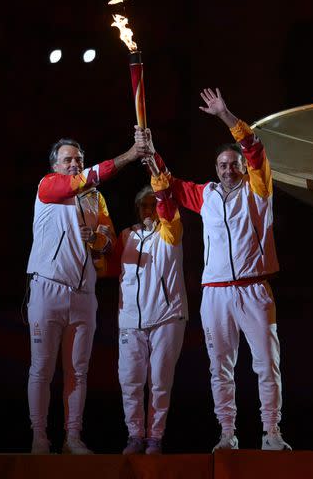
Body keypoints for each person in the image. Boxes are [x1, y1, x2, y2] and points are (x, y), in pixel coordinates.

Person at [136, 88, 291, 451]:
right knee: (219, 368)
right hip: (216, 292)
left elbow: (253, 146)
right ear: (216, 169)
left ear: (242, 167)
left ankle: (271, 432)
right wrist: (149, 150)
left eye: (233, 164)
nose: (227, 169)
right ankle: (227, 433)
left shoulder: (258, 190)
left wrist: (224, 113)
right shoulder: (205, 195)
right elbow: (169, 183)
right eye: (222, 165)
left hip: (254, 289)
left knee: (267, 364)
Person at [26, 137, 149, 454]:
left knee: (78, 371)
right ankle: (40, 437)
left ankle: (73, 438)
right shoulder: (49, 186)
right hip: (47, 287)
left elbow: (110, 244)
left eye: (78, 159)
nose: (73, 164)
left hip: (83, 293)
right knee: (42, 367)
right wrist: (128, 156)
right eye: (67, 159)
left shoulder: (96, 199)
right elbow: (89, 177)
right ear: (55, 165)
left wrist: (96, 238)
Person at [111, 173, 188, 455]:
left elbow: (168, 211)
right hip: (130, 320)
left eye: (152, 204)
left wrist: (159, 181)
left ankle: (155, 437)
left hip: (166, 318)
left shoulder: (170, 231)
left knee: (159, 381)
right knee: (129, 380)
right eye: (143, 206)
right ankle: (134, 435)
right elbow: (107, 268)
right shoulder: (126, 236)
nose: (148, 210)